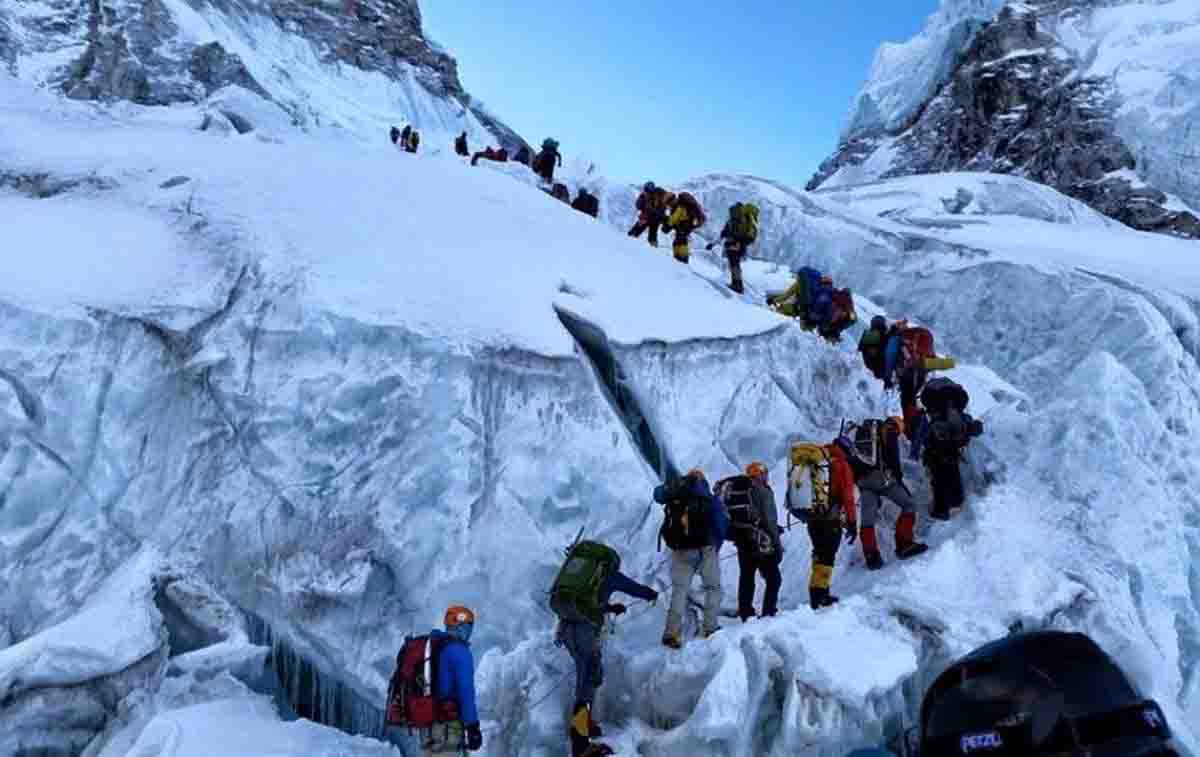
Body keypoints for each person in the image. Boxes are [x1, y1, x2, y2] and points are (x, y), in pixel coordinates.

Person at [551, 542, 657, 757]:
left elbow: (592, 602)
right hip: (584, 630)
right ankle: (580, 746)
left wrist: (610, 608)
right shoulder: (608, 573)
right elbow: (631, 587)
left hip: (567, 627)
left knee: (588, 676)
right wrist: (650, 594)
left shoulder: (583, 581)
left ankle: (585, 726)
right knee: (587, 681)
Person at [836, 418, 927, 570]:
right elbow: (893, 458)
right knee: (909, 504)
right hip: (881, 479)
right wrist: (899, 481)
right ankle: (905, 545)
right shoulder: (889, 431)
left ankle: (872, 557)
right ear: (897, 427)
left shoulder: (864, 434)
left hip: (863, 482)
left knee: (867, 520)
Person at [654, 468, 727, 648]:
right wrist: (716, 545)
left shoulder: (675, 494)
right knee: (713, 588)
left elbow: (657, 495)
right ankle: (710, 628)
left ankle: (671, 633)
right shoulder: (707, 497)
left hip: (680, 549)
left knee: (679, 590)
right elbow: (720, 522)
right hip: (705, 548)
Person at [786, 441, 857, 610]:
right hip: (830, 519)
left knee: (819, 552)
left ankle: (819, 591)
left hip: (813, 517)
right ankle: (819, 596)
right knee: (827, 555)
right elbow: (847, 496)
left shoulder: (817, 461)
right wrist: (852, 522)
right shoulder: (841, 464)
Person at [717, 462, 782, 621]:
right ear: (761, 475)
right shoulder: (762, 491)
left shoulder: (738, 490)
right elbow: (769, 519)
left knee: (747, 576)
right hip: (761, 541)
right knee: (774, 578)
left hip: (742, 539)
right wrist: (776, 542)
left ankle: (746, 612)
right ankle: (768, 612)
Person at [913, 378, 983, 520]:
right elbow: (973, 426)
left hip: (935, 455)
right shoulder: (959, 415)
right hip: (951, 454)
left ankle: (941, 515)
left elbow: (920, 436)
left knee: (939, 484)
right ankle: (955, 515)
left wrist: (914, 454)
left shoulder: (930, 417)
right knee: (953, 484)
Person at [424, 606, 483, 756]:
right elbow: (465, 689)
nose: (470, 631)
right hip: (448, 725)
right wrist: (472, 726)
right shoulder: (460, 651)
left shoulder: (439, 646)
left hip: (430, 722)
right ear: (460, 625)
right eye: (468, 626)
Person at [712, 202, 759, 293]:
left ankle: (737, 285)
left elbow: (724, 232)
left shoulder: (736, 220)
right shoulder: (742, 219)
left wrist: (715, 242)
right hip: (739, 244)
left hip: (734, 243)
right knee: (734, 263)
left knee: (734, 263)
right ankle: (736, 283)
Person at [662, 192, 706, 264]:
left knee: (681, 242)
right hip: (685, 226)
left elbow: (674, 219)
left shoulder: (679, 206)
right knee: (679, 242)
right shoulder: (678, 205)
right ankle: (679, 259)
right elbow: (674, 219)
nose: (668, 206)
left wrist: (667, 226)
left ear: (671, 200)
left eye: (668, 203)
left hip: (684, 226)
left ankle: (682, 259)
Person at [628, 182, 670, 248]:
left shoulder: (646, 195)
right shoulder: (659, 193)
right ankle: (653, 249)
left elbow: (638, 206)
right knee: (652, 235)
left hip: (647, 217)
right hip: (655, 218)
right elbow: (638, 206)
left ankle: (628, 243)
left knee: (635, 231)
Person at [858, 316, 889, 381]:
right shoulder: (883, 334)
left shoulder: (867, 333)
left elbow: (860, 348)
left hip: (870, 364)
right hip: (879, 365)